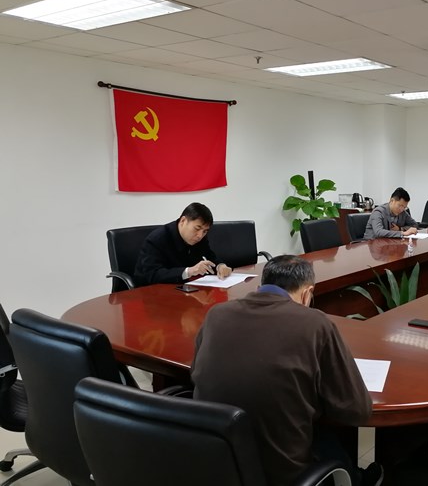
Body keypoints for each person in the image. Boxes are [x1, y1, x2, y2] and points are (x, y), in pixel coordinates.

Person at [191, 255, 381, 486]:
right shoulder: (315, 324)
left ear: (262, 284)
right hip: (281, 472)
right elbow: (356, 410)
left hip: (216, 459)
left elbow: (196, 373)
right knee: (330, 440)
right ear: (307, 294)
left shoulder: (216, 314)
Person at [134, 202, 232, 287]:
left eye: (205, 231)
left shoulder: (200, 237)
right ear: (183, 221)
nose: (200, 236)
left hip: (183, 287)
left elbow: (210, 256)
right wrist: (189, 271)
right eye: (197, 228)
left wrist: (220, 266)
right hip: (151, 292)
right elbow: (153, 274)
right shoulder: (157, 239)